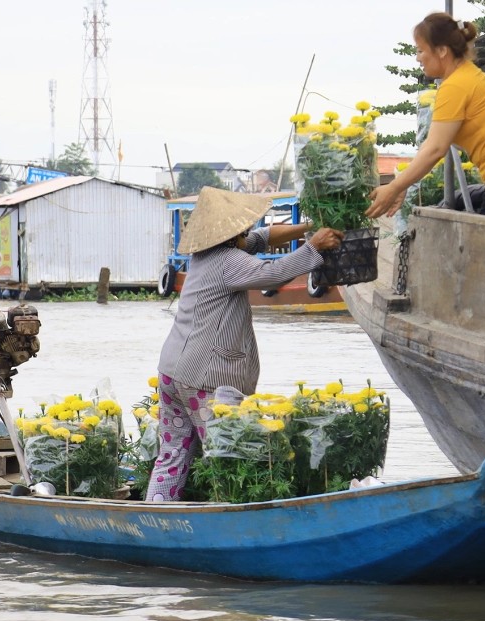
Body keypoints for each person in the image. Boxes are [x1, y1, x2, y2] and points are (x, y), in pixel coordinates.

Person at [146, 187, 344, 501]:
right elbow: (274, 274)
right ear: (233, 233)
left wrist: (307, 229)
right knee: (228, 453)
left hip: (172, 372)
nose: (249, 232)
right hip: (203, 378)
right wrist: (313, 248)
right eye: (244, 229)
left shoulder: (204, 254)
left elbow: (264, 237)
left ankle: (156, 514)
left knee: (173, 453)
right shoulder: (229, 262)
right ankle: (227, 515)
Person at [366, 12, 485, 223]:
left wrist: (394, 186)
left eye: (421, 50)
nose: (418, 58)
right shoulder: (468, 75)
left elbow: (435, 148)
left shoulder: (455, 86)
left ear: (441, 51)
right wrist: (402, 184)